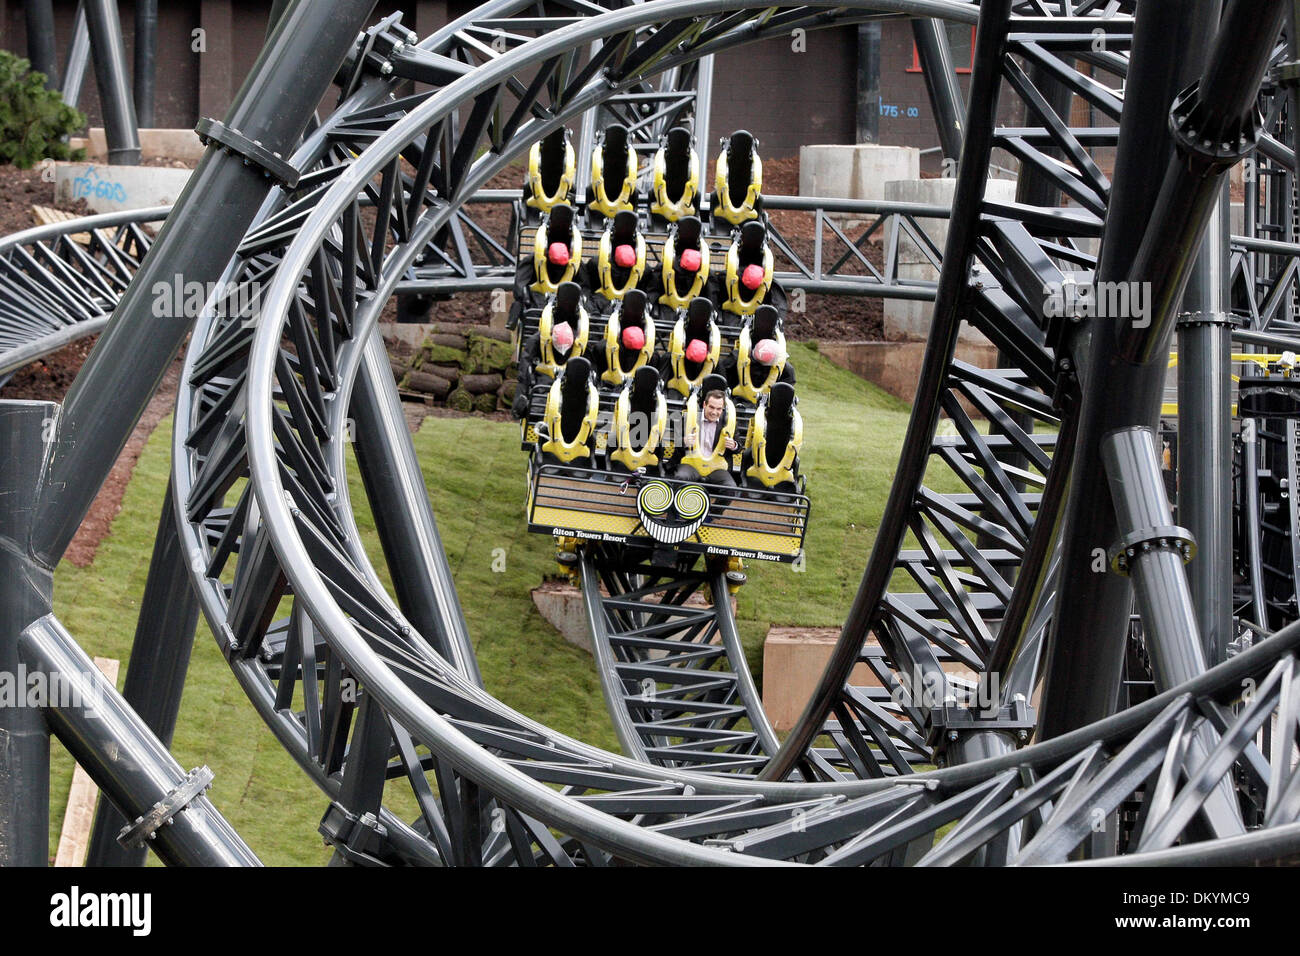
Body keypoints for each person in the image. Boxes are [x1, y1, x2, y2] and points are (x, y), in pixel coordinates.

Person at [674, 387, 738, 488]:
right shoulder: (689, 418)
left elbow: (739, 447)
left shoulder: (727, 423)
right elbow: (676, 442)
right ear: (704, 405)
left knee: (730, 487)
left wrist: (734, 445)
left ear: (723, 409)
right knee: (681, 477)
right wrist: (684, 441)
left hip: (716, 468)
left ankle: (713, 505)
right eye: (711, 407)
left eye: (719, 409)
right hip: (691, 464)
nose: (714, 412)